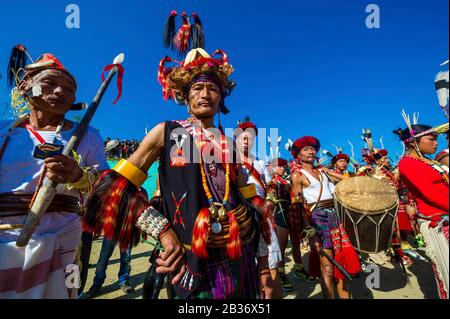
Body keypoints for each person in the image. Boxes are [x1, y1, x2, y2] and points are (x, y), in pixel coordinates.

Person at [83, 47, 264, 299]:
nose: (205, 94)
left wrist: (253, 234)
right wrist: (164, 233)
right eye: (197, 88)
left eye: (212, 88)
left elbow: (250, 199)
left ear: (221, 97)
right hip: (190, 258)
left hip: (237, 253)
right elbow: (115, 189)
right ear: (185, 96)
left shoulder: (229, 144)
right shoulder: (165, 133)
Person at [0, 47, 108, 298]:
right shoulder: (4, 132)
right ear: (26, 86)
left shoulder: (89, 136)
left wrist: (79, 177)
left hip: (62, 242)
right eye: (49, 83)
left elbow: (107, 189)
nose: (60, 91)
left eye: (69, 90)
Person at [289, 136, 361, 299]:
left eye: (313, 148)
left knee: (341, 262)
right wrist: (311, 232)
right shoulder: (297, 175)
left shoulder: (324, 170)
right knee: (327, 267)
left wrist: (361, 175)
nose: (310, 152)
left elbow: (345, 179)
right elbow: (300, 206)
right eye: (305, 149)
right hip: (317, 218)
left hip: (335, 215)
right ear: (298, 155)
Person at [394, 122, 449, 299]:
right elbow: (430, 193)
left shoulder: (429, 162)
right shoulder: (407, 163)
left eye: (437, 139)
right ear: (413, 142)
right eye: (431, 138)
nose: (436, 143)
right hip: (438, 221)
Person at [235, 121, 282, 299]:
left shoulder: (261, 163)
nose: (247, 140)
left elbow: (270, 185)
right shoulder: (229, 160)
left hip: (263, 214)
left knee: (271, 264)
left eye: (251, 138)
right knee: (247, 265)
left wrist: (270, 201)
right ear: (236, 138)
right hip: (241, 215)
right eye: (243, 137)